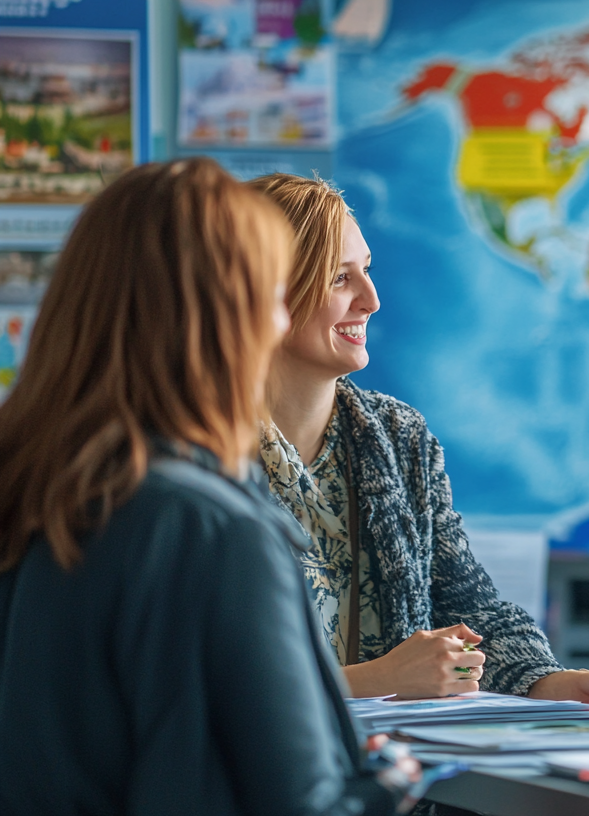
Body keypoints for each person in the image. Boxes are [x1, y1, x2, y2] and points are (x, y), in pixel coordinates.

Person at [0, 158, 421, 814]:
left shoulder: (35, 488)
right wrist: (386, 782)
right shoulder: (210, 526)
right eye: (269, 297)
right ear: (227, 315)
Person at [248, 173, 589, 715]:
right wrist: (376, 678)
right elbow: (189, 670)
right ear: (266, 293)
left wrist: (553, 686)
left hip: (396, 784)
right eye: (339, 278)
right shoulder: (190, 449)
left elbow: (473, 612)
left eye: (366, 271)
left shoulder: (399, 437)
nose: (371, 299)